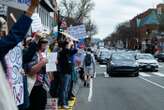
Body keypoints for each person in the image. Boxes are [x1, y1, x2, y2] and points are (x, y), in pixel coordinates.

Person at [0, 0, 39, 110]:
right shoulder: (5, 44)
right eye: (1, 25)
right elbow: (15, 35)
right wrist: (31, 8)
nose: (3, 27)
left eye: (3, 24)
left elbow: (24, 58)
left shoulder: (12, 45)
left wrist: (35, 42)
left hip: (17, 91)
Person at [26, 37, 49, 110]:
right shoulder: (32, 53)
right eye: (44, 43)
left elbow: (46, 70)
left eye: (46, 43)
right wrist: (42, 62)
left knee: (42, 105)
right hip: (33, 87)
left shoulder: (43, 53)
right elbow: (31, 71)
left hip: (42, 85)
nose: (46, 45)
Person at [58, 38, 78, 109]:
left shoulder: (66, 52)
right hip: (65, 73)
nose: (69, 46)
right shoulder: (64, 51)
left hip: (67, 73)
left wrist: (74, 43)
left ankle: (64, 103)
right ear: (65, 46)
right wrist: (72, 43)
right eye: (67, 45)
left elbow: (75, 51)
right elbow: (74, 50)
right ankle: (63, 104)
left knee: (66, 89)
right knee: (64, 89)